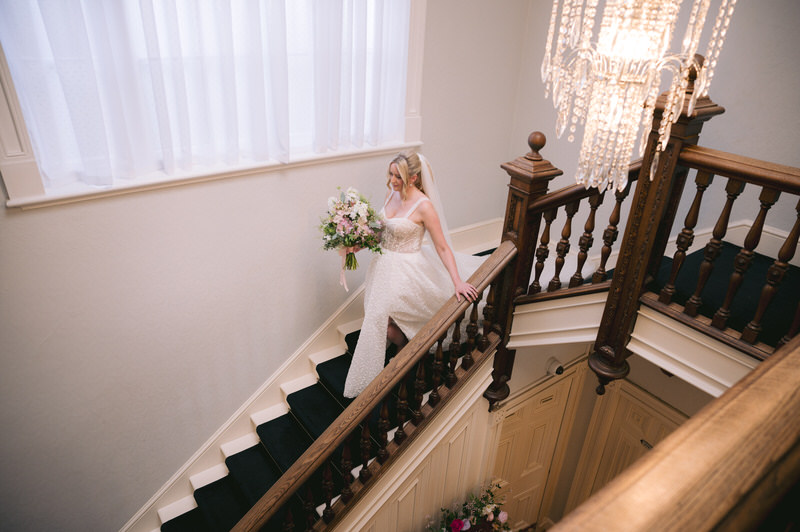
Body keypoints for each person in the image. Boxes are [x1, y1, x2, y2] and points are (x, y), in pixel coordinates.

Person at [342, 151, 486, 398]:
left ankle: (398, 359)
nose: (393, 180)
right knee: (381, 319)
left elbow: (442, 247)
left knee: (383, 319)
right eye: (391, 173)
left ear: (415, 177)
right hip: (382, 267)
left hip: (408, 271)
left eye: (398, 176)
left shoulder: (424, 206)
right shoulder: (391, 194)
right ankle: (403, 343)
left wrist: (457, 281)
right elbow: (381, 233)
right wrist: (358, 245)